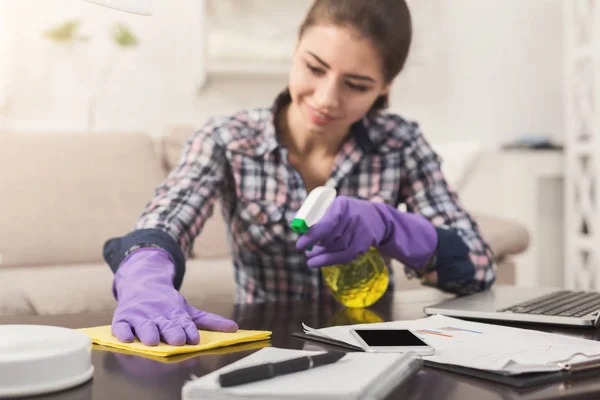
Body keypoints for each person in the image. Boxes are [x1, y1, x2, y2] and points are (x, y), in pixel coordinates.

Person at [103, 0, 496, 347]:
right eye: (314, 67)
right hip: (266, 348)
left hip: (374, 349)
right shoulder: (227, 139)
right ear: (295, 49)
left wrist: (392, 226)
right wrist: (144, 271)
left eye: (356, 85)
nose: (326, 99)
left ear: (385, 88)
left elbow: (478, 268)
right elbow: (168, 216)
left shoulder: (401, 144)